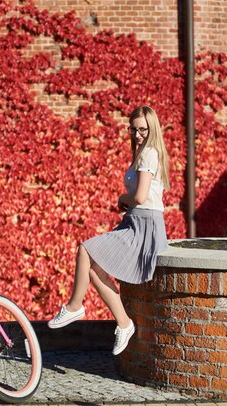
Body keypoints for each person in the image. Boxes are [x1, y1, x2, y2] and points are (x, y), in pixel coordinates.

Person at [48, 105, 171, 355]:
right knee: (95, 268)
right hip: (136, 220)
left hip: (144, 226)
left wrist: (124, 199)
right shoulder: (143, 153)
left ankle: (75, 306)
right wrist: (127, 202)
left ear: (152, 129)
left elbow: (141, 195)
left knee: (86, 249)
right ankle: (124, 324)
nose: (137, 135)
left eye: (143, 130)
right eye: (134, 129)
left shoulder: (148, 154)